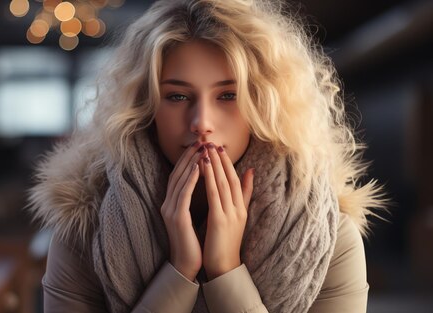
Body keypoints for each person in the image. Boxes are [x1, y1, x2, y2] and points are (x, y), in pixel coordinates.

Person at [28, 0, 386, 312]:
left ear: (264, 105)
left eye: (228, 96)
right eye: (177, 97)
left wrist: (225, 271)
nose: (201, 123)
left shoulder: (327, 235)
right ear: (146, 107)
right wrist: (179, 272)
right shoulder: (82, 226)